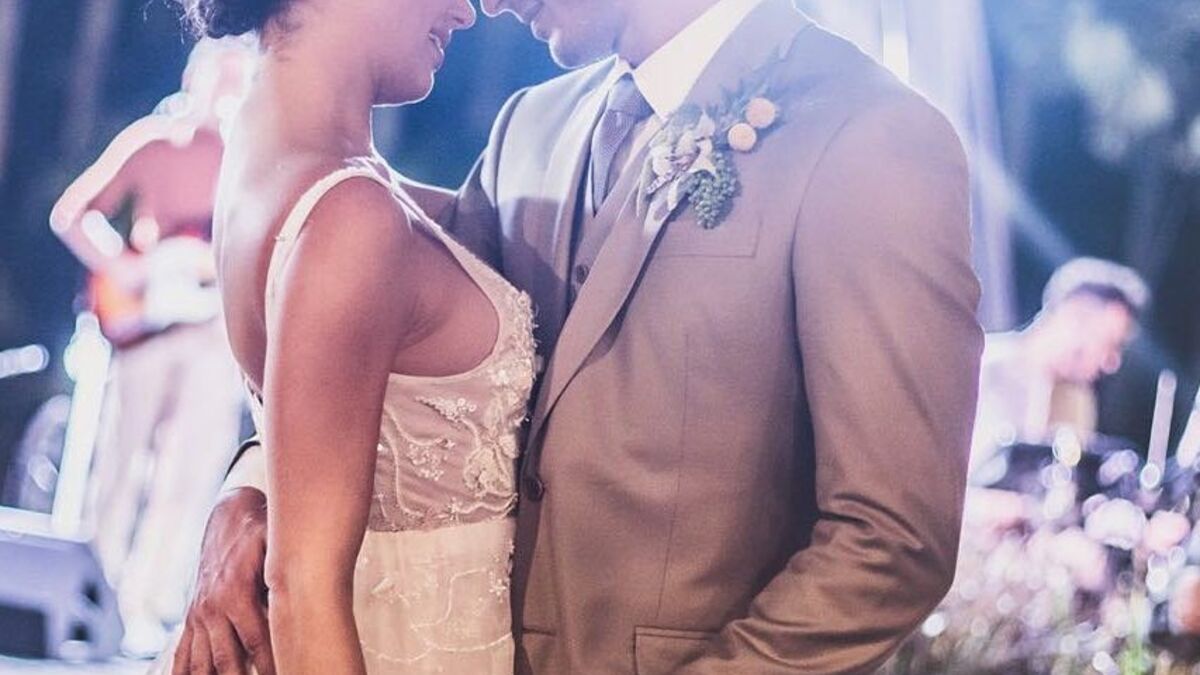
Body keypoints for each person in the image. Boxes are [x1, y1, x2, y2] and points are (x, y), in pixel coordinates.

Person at [176, 0, 984, 673]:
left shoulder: (870, 135)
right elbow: (374, 361)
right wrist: (247, 492)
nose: (488, 2)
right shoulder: (531, 128)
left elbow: (892, 540)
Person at [165, 0, 532, 672]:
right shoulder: (348, 216)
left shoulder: (281, 159)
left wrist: (246, 489)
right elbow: (302, 586)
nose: (464, 12)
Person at [48, 37, 253, 656]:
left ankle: (148, 611)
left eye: (240, 79)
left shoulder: (252, 155)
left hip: (214, 332)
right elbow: (72, 213)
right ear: (196, 79)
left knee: (189, 476)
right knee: (119, 464)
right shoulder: (153, 142)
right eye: (221, 77)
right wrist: (126, 268)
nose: (229, 90)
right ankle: (88, 602)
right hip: (148, 326)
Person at [969, 256, 1149, 480]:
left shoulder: (1078, 403)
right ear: (1076, 316)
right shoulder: (981, 365)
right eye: (1111, 344)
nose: (1112, 363)